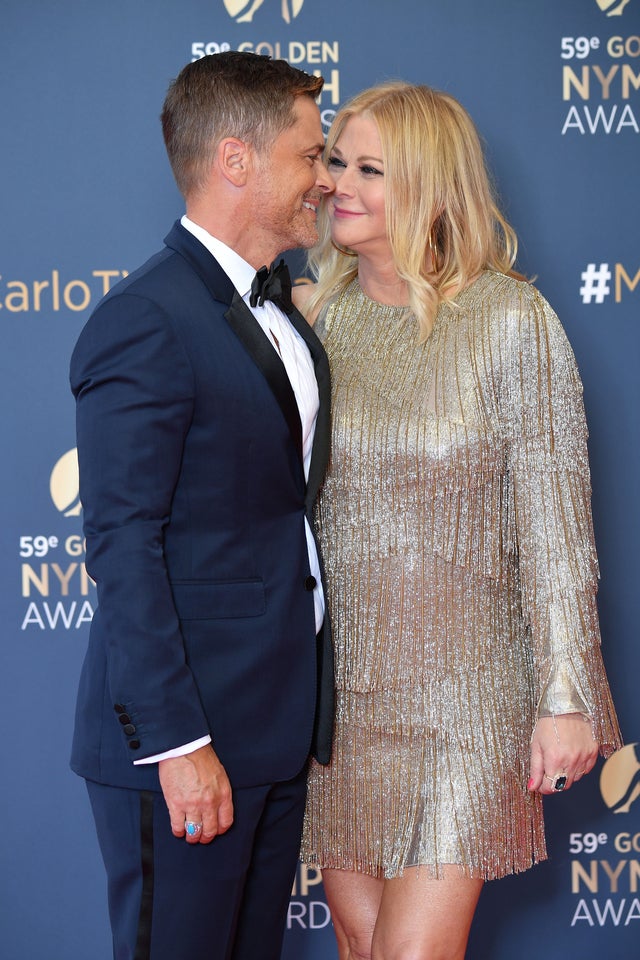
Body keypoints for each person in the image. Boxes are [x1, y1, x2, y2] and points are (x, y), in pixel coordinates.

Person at [293, 81, 622, 960]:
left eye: (372, 168)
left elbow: (557, 531)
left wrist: (567, 697)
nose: (339, 185)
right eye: (335, 161)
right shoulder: (314, 322)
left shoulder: (511, 321)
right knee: (362, 948)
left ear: (435, 187)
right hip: (341, 708)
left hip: (466, 702)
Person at [70, 51, 335, 960]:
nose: (325, 179)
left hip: (273, 733)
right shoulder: (148, 317)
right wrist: (180, 745)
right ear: (236, 161)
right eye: (311, 155)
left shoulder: (280, 309)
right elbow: (122, 541)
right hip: (189, 747)